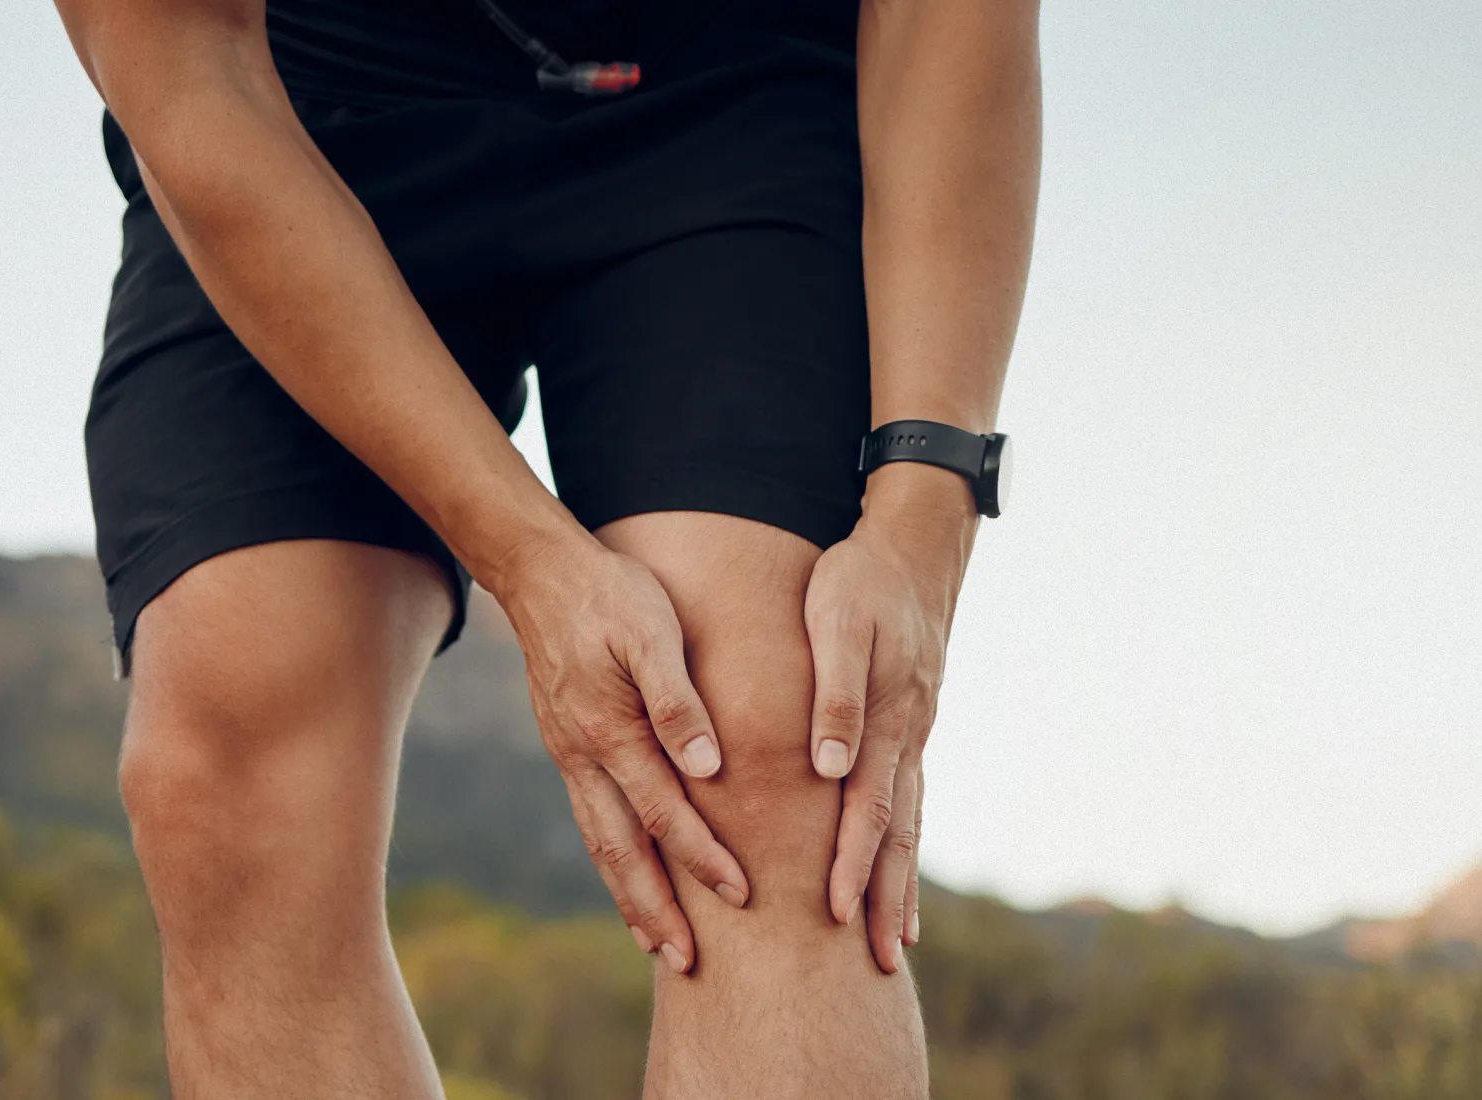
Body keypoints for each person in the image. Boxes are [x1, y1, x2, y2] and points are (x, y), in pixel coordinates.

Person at [53, 0, 1039, 1094]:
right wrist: (529, 562)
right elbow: (183, 76)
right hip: (304, 94)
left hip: (723, 76)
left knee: (774, 729)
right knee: (227, 772)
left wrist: (920, 511)